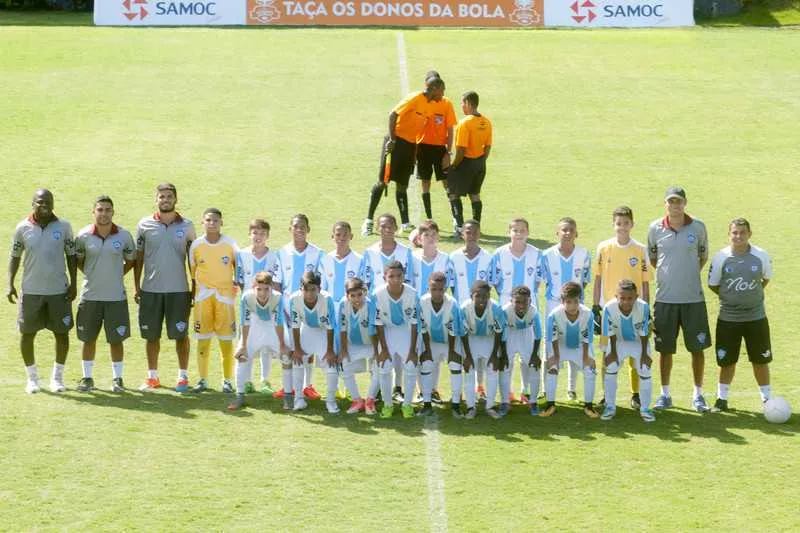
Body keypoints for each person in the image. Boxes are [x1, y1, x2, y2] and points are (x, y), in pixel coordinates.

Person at [647, 187, 711, 412]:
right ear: (665, 204)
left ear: (685, 203)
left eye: (679, 201)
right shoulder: (655, 228)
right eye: (670, 201)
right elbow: (654, 259)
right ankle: (665, 394)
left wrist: (687, 275)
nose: (675, 205)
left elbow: (702, 257)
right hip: (665, 299)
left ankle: (698, 395)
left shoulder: (698, 227)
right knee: (665, 350)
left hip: (693, 299)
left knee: (697, 349)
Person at [8, 189, 77, 393]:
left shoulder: (64, 227)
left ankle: (57, 378)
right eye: (40, 202)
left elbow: (71, 256)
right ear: (33, 204)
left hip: (58, 291)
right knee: (27, 333)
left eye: (48, 201)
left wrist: (73, 283)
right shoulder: (23, 228)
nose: (44, 205)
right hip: (31, 291)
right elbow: (15, 256)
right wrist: (9, 283)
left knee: (62, 333)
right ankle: (32, 379)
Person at [361, 76, 446, 236]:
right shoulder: (414, 98)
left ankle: (405, 223)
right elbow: (393, 115)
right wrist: (392, 139)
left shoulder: (430, 106)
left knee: (402, 184)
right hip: (396, 143)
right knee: (383, 181)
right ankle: (368, 221)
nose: (443, 94)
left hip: (409, 147)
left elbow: (416, 131)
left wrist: (414, 152)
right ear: (434, 88)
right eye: (442, 90)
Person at [134, 183, 196, 392]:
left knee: (181, 335)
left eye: (169, 196)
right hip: (151, 289)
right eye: (162, 196)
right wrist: (136, 286)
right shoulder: (144, 225)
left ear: (176, 199)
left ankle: (183, 377)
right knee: (151, 335)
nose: (165, 200)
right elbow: (138, 258)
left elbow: (192, 260)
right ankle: (152, 377)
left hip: (179, 290)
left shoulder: (187, 226)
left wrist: (194, 287)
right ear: (156, 199)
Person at [707, 218, 773, 412]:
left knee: (760, 360)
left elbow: (765, 279)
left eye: (742, 232)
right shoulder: (721, 257)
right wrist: (731, 298)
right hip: (728, 319)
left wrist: (750, 297)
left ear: (749, 234)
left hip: (756, 318)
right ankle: (721, 399)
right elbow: (713, 284)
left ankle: (767, 399)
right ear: (729, 235)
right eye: (735, 233)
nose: (738, 236)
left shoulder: (761, 255)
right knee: (727, 361)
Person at [74, 196, 136, 392]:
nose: (103, 213)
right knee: (88, 339)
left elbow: (131, 260)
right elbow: (78, 260)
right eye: (100, 210)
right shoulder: (83, 235)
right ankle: (87, 378)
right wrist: (93, 274)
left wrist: (117, 274)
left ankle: (117, 379)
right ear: (93, 212)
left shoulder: (124, 236)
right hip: (90, 296)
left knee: (116, 340)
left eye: (107, 210)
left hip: (115, 297)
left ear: (113, 212)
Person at [593, 206, 651, 409]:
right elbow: (598, 278)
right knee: (607, 351)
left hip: (634, 309)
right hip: (610, 309)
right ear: (613, 224)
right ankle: (605, 394)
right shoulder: (603, 248)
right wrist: (595, 306)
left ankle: (635, 394)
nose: (622, 227)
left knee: (635, 351)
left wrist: (647, 308)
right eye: (619, 224)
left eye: (626, 223)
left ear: (632, 224)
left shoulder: (640, 249)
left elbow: (645, 282)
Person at [359, 213, 415, 401]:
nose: (387, 229)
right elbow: (363, 283)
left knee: (399, 350)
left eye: (390, 225)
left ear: (396, 227)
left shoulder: (406, 252)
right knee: (378, 350)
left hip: (399, 308)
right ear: (377, 228)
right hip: (377, 310)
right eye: (382, 226)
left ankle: (397, 387)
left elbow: (410, 282)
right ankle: (380, 389)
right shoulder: (369, 253)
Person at [491, 217, 542, 403]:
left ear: (528, 232)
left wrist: (526, 300)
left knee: (528, 357)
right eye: (515, 230)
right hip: (507, 311)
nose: (518, 234)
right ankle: (507, 394)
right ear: (509, 232)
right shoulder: (499, 254)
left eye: (522, 230)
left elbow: (538, 282)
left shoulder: (537, 254)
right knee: (506, 356)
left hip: (527, 310)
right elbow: (495, 284)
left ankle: (526, 390)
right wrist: (508, 299)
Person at [541, 217, 592, 403]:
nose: (567, 233)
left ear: (576, 232)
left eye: (571, 229)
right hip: (554, 304)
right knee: (549, 344)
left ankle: (571, 388)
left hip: (576, 306)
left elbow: (585, 280)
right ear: (557, 232)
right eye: (564, 229)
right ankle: (545, 388)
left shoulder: (584, 254)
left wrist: (574, 300)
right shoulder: (546, 255)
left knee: (574, 341)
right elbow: (543, 280)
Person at [274, 214, 324, 401]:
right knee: (289, 347)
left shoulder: (318, 254)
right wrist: (280, 307)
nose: (299, 230)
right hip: (287, 307)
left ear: (308, 230)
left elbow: (321, 284)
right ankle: (289, 386)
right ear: (290, 229)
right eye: (296, 226)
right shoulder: (281, 253)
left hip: (310, 307)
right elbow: (277, 284)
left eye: (303, 227)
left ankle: (307, 386)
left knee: (307, 346)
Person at [189, 208, 238, 393]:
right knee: (203, 340)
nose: (212, 223)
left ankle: (227, 380)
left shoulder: (230, 244)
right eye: (208, 220)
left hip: (225, 298)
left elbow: (238, 269)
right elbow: (192, 272)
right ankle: (202, 380)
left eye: (215, 220)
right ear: (202, 222)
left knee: (226, 341)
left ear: (221, 223)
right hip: (203, 298)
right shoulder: (196, 246)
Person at [448, 219, 493, 399]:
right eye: (468, 232)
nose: (471, 235)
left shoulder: (488, 257)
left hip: (482, 311)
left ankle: (479, 387)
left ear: (479, 234)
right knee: (461, 351)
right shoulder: (453, 257)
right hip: (461, 313)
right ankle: (461, 392)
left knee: (480, 351)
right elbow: (451, 285)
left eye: (474, 232)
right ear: (462, 234)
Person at [229, 272, 287, 411]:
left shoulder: (278, 297)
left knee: (287, 357)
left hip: (272, 327)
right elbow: (245, 321)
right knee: (241, 356)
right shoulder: (247, 297)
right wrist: (243, 345)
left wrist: (283, 345)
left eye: (266, 289)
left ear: (272, 287)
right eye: (259, 289)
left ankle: (289, 397)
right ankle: (240, 396)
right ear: (253, 287)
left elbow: (279, 322)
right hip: (254, 326)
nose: (262, 293)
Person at [235, 218, 280, 394]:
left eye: (262, 233)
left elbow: (276, 284)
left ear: (267, 236)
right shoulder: (242, 255)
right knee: (246, 342)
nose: (258, 236)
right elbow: (239, 281)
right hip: (248, 307)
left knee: (266, 346)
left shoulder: (274, 256)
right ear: (249, 234)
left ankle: (265, 380)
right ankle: (246, 381)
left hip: (268, 307)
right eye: (255, 232)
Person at [600, 280, 656, 422]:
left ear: (636, 297)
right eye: (622, 298)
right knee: (611, 366)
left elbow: (644, 332)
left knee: (645, 368)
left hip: (638, 342)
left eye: (630, 298)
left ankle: (645, 409)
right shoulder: (608, 307)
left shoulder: (643, 307)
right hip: (617, 342)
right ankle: (610, 406)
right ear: (616, 296)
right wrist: (612, 352)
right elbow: (610, 331)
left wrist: (644, 354)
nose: (626, 302)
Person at [541, 282, 599, 418]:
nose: (572, 306)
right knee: (552, 368)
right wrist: (555, 356)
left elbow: (587, 337)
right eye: (568, 302)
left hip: (580, 347)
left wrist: (586, 357)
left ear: (580, 300)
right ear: (562, 301)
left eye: (575, 301)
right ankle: (550, 405)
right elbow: (552, 338)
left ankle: (589, 406)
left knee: (590, 370)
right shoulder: (553, 315)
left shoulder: (588, 314)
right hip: (559, 347)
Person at [373, 261, 420, 419]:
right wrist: (384, 350)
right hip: (387, 332)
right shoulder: (378, 294)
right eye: (391, 276)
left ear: (403, 276)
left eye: (399, 276)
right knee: (385, 367)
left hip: (405, 331)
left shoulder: (412, 293)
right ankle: (387, 405)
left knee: (411, 366)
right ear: (384, 277)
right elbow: (378, 324)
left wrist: (413, 350)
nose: (395, 279)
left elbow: (414, 323)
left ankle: (407, 405)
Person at [287, 271, 337, 412]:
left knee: (331, 366)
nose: (309, 294)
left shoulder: (327, 300)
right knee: (297, 361)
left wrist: (330, 350)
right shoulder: (294, 299)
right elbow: (295, 325)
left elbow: (330, 327)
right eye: (306, 290)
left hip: (323, 333)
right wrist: (296, 349)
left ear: (319, 289)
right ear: (301, 289)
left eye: (313, 290)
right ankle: (298, 399)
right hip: (306, 330)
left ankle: (331, 401)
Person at [461, 280, 508, 419]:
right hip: (471, 339)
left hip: (489, 339)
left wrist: (495, 354)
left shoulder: (496, 309)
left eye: (485, 296)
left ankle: (490, 406)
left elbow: (499, 332)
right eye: (478, 296)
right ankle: (470, 407)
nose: (482, 299)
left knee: (492, 370)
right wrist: (468, 356)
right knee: (469, 371)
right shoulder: (464, 309)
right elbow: (463, 334)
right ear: (471, 296)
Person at [419, 272, 463, 417]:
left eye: (441, 289)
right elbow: (423, 327)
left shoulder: (452, 304)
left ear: (445, 289)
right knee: (425, 364)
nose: (437, 293)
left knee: (455, 365)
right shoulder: (422, 302)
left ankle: (456, 405)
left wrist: (451, 351)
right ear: (428, 288)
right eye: (434, 289)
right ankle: (426, 404)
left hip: (450, 341)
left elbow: (453, 330)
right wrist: (427, 349)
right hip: (431, 341)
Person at [447, 91, 492, 235]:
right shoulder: (486, 122)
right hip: (480, 163)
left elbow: (461, 149)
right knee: (475, 194)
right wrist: (480, 161)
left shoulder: (464, 123)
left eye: (462, 103)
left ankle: (460, 227)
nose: (461, 106)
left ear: (468, 103)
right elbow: (488, 147)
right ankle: (476, 227)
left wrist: (454, 166)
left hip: (465, 162)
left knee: (452, 192)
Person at [416, 71, 457, 221]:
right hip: (423, 148)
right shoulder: (422, 102)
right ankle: (429, 218)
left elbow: (450, 128)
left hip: (440, 149)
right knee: (425, 182)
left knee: (447, 183)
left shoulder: (446, 104)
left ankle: (455, 219)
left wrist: (448, 152)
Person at [338, 278, 378, 415]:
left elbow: (373, 330)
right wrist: (343, 350)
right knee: (343, 366)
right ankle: (357, 400)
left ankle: (370, 400)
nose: (356, 299)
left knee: (379, 368)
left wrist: (377, 352)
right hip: (352, 344)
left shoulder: (371, 305)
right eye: (352, 296)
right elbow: (342, 328)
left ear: (365, 292)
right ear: (347, 295)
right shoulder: (343, 305)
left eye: (359, 295)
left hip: (371, 343)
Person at [503, 286, 543, 415]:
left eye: (524, 302)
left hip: (526, 335)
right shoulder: (505, 311)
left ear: (530, 301)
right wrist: (502, 354)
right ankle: (505, 402)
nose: (521, 305)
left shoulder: (533, 311)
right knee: (505, 366)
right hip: (510, 334)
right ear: (511, 301)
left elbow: (538, 334)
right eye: (517, 302)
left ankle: (533, 402)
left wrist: (535, 355)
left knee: (533, 366)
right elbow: (501, 334)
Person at [319, 221, 363, 305]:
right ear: (333, 236)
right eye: (338, 235)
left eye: (345, 235)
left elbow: (363, 287)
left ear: (351, 236)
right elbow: (321, 288)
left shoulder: (360, 260)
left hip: (351, 307)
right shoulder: (325, 260)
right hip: (330, 307)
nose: (342, 238)